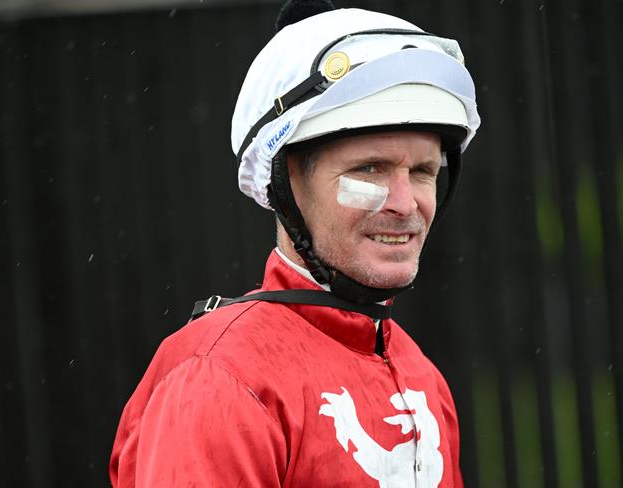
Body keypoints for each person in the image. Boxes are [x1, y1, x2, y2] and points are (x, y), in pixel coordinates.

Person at [109, 1, 480, 486]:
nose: (405, 203)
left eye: (423, 172)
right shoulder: (220, 378)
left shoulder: (421, 376)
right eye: (368, 169)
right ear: (285, 184)